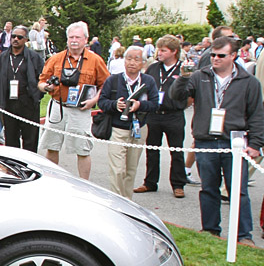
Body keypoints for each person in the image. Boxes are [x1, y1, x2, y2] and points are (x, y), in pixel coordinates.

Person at [170, 36, 264, 244]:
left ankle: (243, 235)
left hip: (235, 142)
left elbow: (257, 114)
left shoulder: (249, 82)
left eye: (221, 55)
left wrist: (256, 144)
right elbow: (176, 97)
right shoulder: (200, 76)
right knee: (208, 189)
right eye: (213, 55)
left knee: (238, 191)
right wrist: (183, 78)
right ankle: (211, 230)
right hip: (206, 141)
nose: (215, 59)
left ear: (233, 56)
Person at [37, 21, 109, 180]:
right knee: (51, 145)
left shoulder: (95, 60)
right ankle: (52, 180)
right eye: (71, 37)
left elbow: (106, 84)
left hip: (81, 110)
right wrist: (46, 87)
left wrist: (94, 101)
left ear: (86, 39)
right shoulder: (56, 59)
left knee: (82, 149)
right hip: (58, 107)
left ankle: (84, 184)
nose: (74, 40)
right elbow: (41, 82)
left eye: (78, 37)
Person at [98, 46, 158, 199]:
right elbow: (102, 101)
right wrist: (114, 105)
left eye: (136, 59)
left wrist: (140, 106)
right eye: (129, 58)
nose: (132, 62)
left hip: (138, 129)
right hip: (118, 129)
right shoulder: (114, 80)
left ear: (143, 63)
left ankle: (127, 201)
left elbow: (155, 104)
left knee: (131, 169)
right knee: (118, 169)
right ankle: (118, 201)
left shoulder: (148, 81)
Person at [135, 35, 187, 198]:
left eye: (163, 50)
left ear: (174, 52)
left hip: (173, 115)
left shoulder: (183, 70)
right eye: (159, 50)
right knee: (152, 149)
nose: (159, 53)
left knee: (176, 150)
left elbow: (190, 93)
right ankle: (150, 182)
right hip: (154, 114)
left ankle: (178, 184)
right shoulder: (153, 68)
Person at [0, 26, 43, 152]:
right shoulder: (3, 57)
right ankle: (12, 169)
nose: (15, 39)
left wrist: (37, 96)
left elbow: (42, 78)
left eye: (19, 37)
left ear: (25, 39)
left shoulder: (34, 57)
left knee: (30, 140)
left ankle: (29, 168)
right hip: (9, 102)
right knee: (11, 139)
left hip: (28, 103)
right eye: (13, 36)